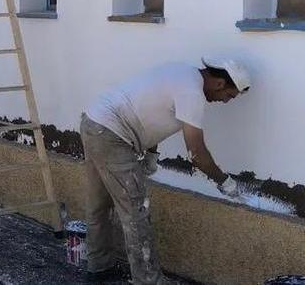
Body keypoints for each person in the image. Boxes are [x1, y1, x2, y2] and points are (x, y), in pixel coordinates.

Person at [81, 58, 252, 284]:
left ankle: (99, 268)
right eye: (229, 96)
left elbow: (151, 113)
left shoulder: (183, 72)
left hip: (94, 123)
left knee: (99, 205)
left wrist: (151, 154)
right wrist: (225, 182)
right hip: (113, 136)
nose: (225, 101)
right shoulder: (192, 94)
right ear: (220, 83)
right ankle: (148, 280)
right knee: (136, 214)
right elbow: (197, 154)